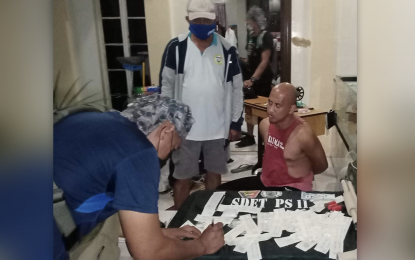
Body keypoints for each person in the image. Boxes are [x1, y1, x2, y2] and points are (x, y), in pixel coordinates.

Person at [53, 94, 224, 260]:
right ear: (166, 131)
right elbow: (149, 252)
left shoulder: (94, 120)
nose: (168, 156)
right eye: (173, 147)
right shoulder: (138, 152)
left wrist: (156, 234)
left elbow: (88, 195)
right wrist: (203, 245)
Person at [160, 0, 244, 210]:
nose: (202, 23)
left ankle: (210, 215)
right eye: (197, 19)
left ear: (215, 20)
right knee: (182, 177)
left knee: (214, 173)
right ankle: (181, 219)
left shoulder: (227, 49)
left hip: (217, 127)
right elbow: (166, 87)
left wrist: (235, 122)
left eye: (206, 20)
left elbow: (236, 88)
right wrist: (169, 123)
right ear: (188, 19)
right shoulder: (176, 48)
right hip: (185, 130)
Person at [217, 83, 328, 191]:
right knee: (220, 192)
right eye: (270, 103)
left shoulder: (303, 134)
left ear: (291, 109)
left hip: (293, 187)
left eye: (277, 105)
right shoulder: (265, 125)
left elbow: (322, 165)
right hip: (266, 183)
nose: (270, 110)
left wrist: (301, 173)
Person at [236, 6, 275, 148]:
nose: (248, 24)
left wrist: (253, 79)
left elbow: (264, 61)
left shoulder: (266, 36)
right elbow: (252, 57)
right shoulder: (252, 36)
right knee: (249, 108)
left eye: (249, 21)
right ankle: (250, 137)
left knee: (262, 110)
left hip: (262, 79)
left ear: (255, 20)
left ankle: (265, 139)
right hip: (250, 77)